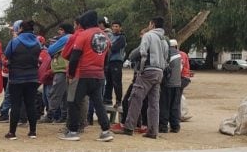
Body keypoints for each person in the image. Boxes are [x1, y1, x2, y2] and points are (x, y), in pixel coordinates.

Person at [60, 10, 114, 142]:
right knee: (98, 104)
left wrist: (71, 74)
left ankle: (73, 131)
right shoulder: (105, 37)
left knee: (73, 102)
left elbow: (74, 57)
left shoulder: (83, 35)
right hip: (99, 75)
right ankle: (106, 131)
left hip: (82, 74)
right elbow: (107, 57)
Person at [121, 17, 169, 138]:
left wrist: (140, 70)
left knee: (135, 98)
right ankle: (153, 131)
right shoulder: (164, 39)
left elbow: (142, 52)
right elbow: (166, 57)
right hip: (159, 72)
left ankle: (129, 127)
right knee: (154, 103)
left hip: (147, 70)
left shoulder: (148, 35)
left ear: (152, 24)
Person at [3, 19, 40, 140]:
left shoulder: (15, 41)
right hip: (33, 77)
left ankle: (12, 133)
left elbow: (7, 55)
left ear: (21, 29)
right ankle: (33, 132)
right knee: (31, 104)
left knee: (16, 105)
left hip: (17, 78)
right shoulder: (37, 41)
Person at [159, 38, 183, 133]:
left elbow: (164, 68)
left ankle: (163, 126)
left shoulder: (168, 54)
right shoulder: (180, 55)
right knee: (175, 106)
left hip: (167, 84)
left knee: (165, 105)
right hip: (177, 84)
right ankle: (175, 126)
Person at [104, 21, 126, 106]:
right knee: (108, 82)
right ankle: (107, 99)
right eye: (113, 26)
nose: (115, 28)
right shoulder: (110, 37)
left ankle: (118, 101)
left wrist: (109, 46)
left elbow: (114, 48)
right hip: (109, 62)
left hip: (117, 62)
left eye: (117, 26)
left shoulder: (122, 38)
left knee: (116, 82)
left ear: (120, 28)